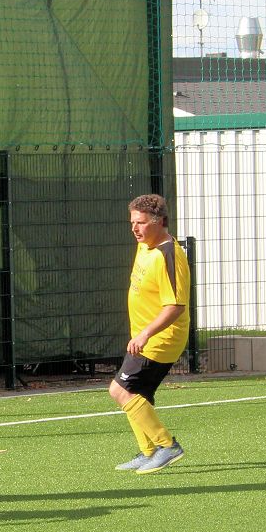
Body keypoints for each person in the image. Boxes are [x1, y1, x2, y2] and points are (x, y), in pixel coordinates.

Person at [109, 193, 190, 474]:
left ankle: (167, 446)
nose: (135, 228)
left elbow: (175, 306)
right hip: (143, 338)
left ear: (160, 221)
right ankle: (149, 451)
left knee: (120, 390)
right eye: (132, 222)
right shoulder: (145, 245)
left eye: (141, 222)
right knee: (137, 393)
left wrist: (145, 334)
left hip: (161, 339)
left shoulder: (169, 256)